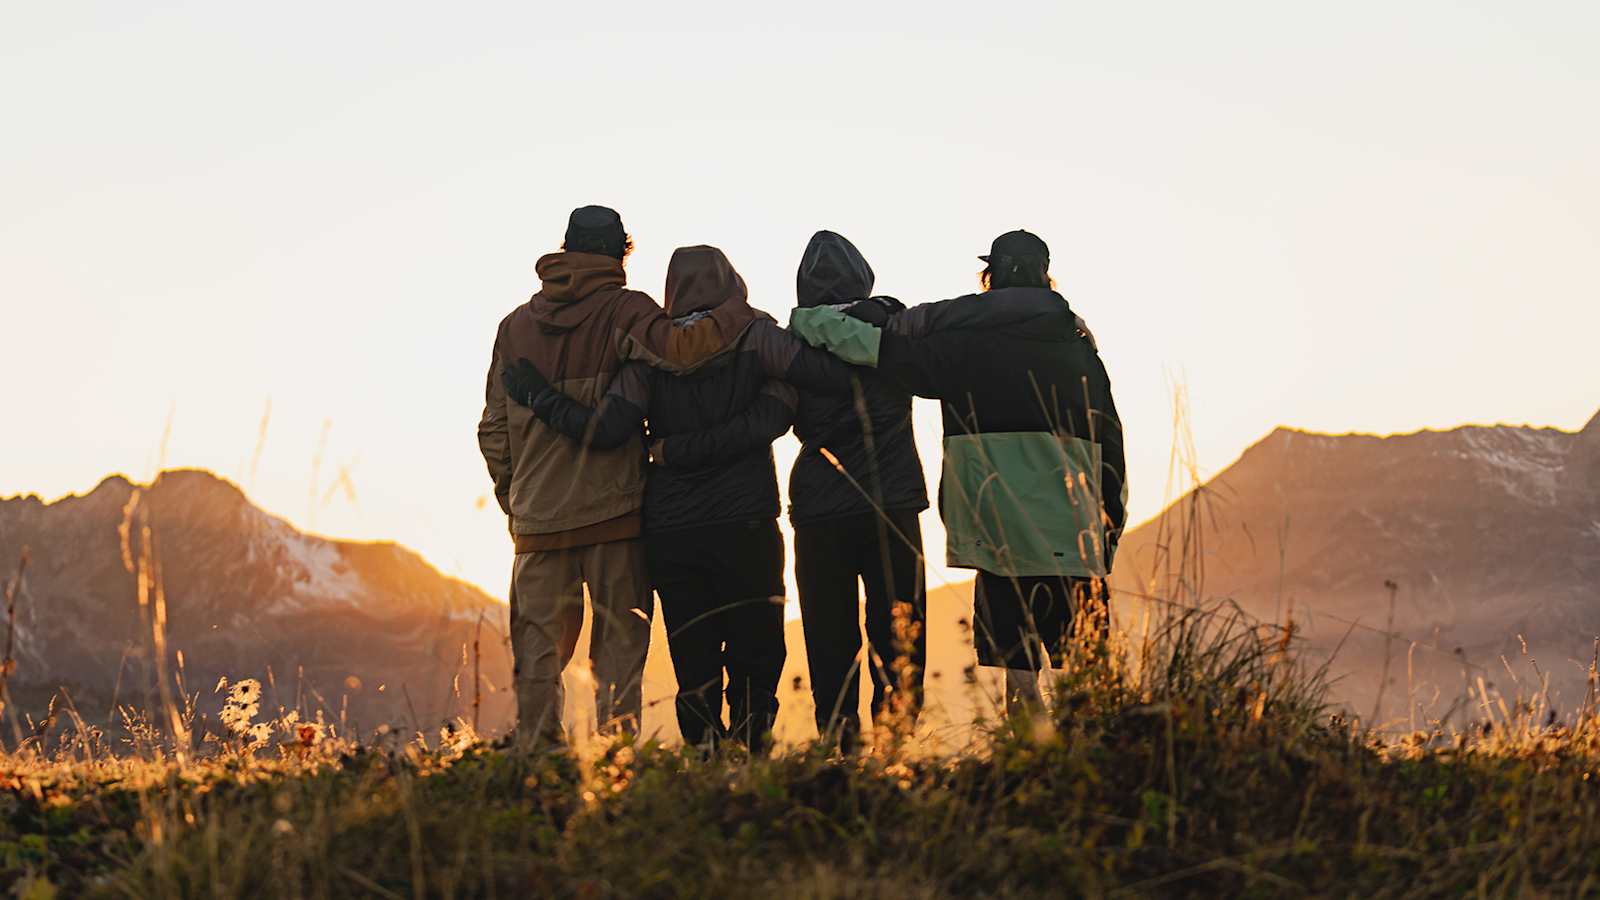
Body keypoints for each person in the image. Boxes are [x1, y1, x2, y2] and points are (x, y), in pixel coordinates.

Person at [502, 245, 860, 753]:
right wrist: (782, 397)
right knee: (756, 645)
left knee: (692, 653)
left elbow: (607, 428)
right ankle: (751, 751)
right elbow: (826, 380)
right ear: (731, 280)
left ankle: (701, 754)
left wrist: (542, 397)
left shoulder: (650, 355)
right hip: (747, 521)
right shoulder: (757, 335)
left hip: (672, 529)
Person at [790, 229, 1126, 712]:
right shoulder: (1080, 351)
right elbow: (1111, 445)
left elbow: (874, 348)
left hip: (1000, 534)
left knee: (1021, 678)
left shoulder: (963, 349)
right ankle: (1085, 774)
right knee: (1086, 675)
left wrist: (811, 321)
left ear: (988, 278)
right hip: (1074, 535)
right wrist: (1109, 529)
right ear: (1046, 278)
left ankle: (1025, 762)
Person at [477, 207, 756, 746]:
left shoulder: (513, 328)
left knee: (537, 657)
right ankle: (615, 765)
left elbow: (493, 428)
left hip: (538, 522)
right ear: (621, 252)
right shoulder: (626, 311)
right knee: (619, 655)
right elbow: (683, 351)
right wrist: (733, 311)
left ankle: (538, 765)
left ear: (564, 248)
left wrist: (517, 499)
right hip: (615, 518)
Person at [789, 231, 929, 752]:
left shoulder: (789, 341)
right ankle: (898, 746)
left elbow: (782, 412)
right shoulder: (894, 334)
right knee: (900, 630)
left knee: (830, 637)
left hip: (820, 506)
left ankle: (838, 749)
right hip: (891, 502)